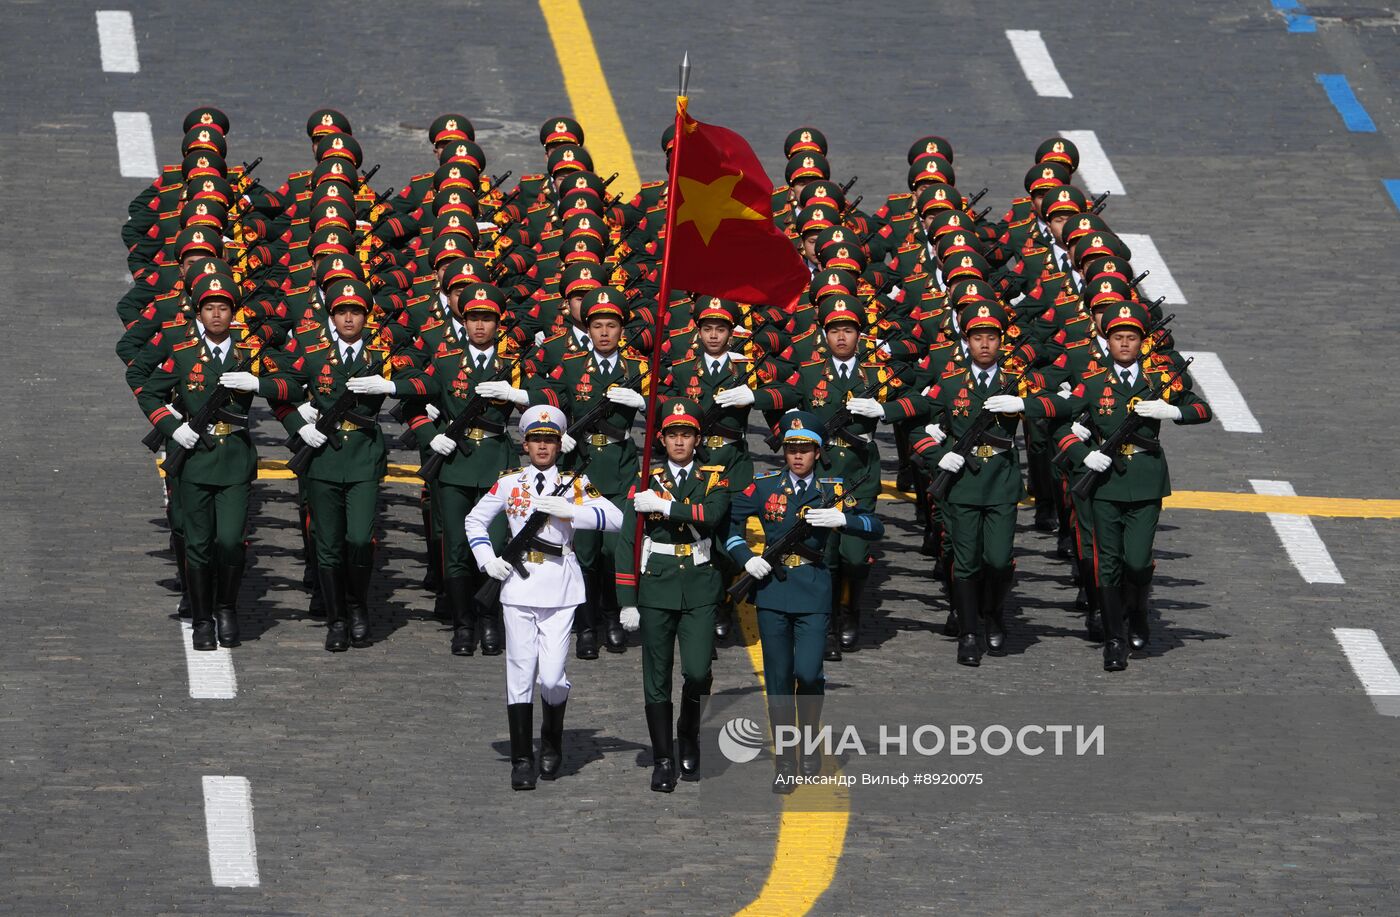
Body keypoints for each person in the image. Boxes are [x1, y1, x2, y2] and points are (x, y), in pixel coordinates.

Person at [465, 406, 623, 790]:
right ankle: (522, 759)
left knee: (552, 678)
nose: (542, 446)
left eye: (549, 440)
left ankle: (551, 740)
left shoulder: (575, 483)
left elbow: (617, 519)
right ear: (525, 444)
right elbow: (474, 520)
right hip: (518, 587)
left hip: (559, 587)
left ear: (559, 445)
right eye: (535, 439)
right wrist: (487, 559)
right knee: (520, 674)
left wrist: (573, 512)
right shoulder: (510, 482)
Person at [725, 412, 883, 792]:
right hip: (773, 590)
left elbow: (874, 526)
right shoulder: (765, 486)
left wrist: (842, 520)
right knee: (779, 680)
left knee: (809, 674)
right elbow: (729, 524)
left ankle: (809, 744)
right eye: (792, 448)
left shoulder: (833, 490)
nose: (798, 456)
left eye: (805, 449)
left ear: (818, 452)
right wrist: (746, 558)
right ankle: (786, 761)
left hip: (813, 590)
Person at [1052, 301, 1212, 671]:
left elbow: (1202, 410)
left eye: (1131, 337)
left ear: (1142, 342)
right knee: (1107, 563)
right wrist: (1083, 454)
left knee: (1137, 561)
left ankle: (1138, 610)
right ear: (1106, 341)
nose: (1125, 343)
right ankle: (1114, 639)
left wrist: (1173, 411)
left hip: (1145, 480)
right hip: (1105, 482)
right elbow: (1060, 426)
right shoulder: (1093, 382)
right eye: (1118, 337)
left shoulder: (1158, 380)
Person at [138, 274, 265, 649]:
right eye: (209, 308)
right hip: (195, 458)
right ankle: (203, 618)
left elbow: (290, 383)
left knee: (231, 540)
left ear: (232, 313)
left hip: (234, 458)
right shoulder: (184, 352)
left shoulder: (248, 352)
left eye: (223, 308)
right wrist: (173, 427)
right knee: (198, 543)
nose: (216, 314)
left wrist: (259, 384)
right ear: (199, 313)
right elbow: (149, 393)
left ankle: (226, 608)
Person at [614, 399, 731, 792]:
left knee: (697, 671)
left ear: (698, 440)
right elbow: (628, 540)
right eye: (673, 435)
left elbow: (712, 515)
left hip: (699, 585)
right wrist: (627, 598)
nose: (679, 442)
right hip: (656, 584)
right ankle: (663, 757)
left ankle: (689, 733)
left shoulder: (713, 477)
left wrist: (665, 505)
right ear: (661, 439)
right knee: (656, 676)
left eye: (687, 435)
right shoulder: (645, 477)